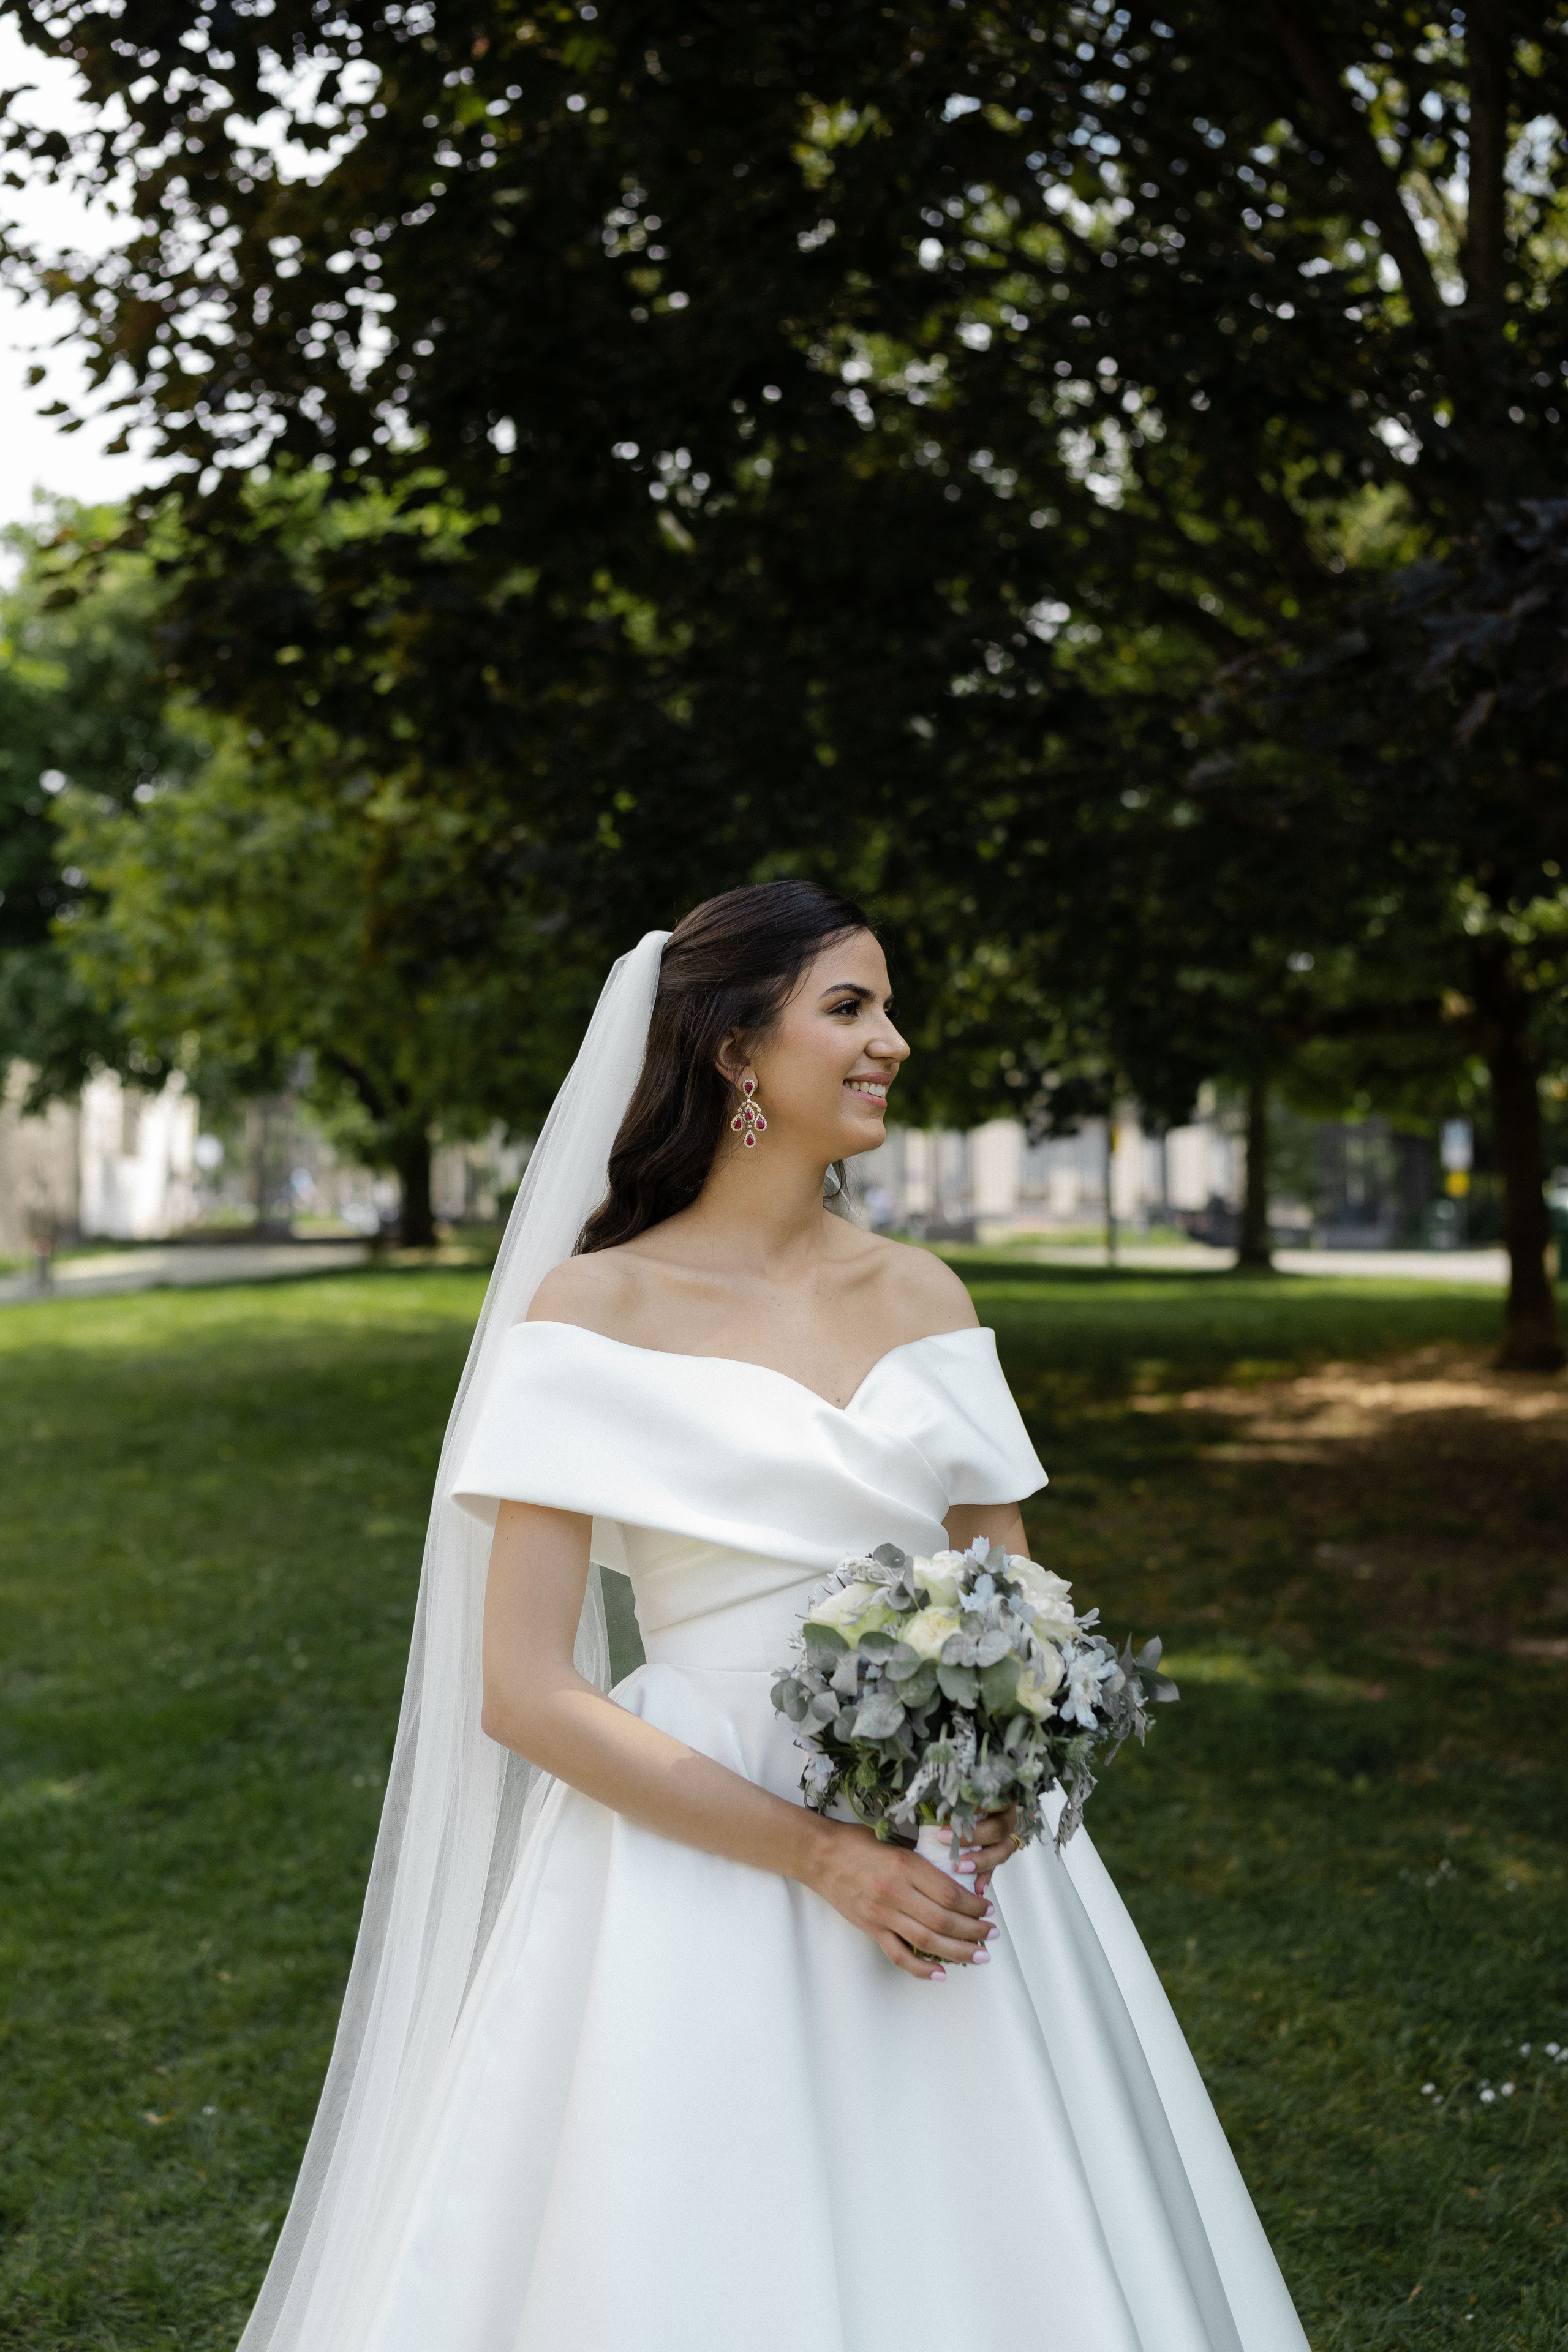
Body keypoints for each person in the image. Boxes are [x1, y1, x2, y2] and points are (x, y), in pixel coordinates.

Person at [237, 881, 1310, 2352]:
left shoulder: (923, 1294)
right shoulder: (593, 1311)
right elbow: (524, 1689)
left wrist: (1006, 1777)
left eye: (888, 1009)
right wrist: (819, 1858)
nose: (894, 1042)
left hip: (948, 1859)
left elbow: (1014, 1602)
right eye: (849, 1008)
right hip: (695, 1844)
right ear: (737, 1049)